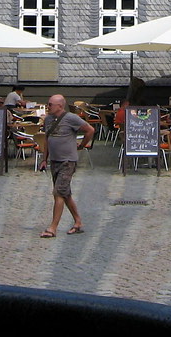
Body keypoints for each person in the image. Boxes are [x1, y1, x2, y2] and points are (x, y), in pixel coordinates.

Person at [39, 94, 94, 238]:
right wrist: (44, 159)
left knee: (58, 193)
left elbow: (90, 130)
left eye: (50, 104)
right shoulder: (48, 119)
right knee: (65, 193)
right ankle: (78, 222)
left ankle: (53, 228)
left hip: (67, 162)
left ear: (60, 106)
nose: (48, 106)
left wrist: (82, 145)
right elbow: (47, 139)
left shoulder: (71, 118)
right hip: (54, 161)